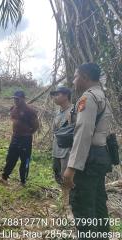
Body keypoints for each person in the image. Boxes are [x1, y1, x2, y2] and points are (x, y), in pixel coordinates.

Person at [63, 63, 112, 239]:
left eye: (75, 77)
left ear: (84, 77)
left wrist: (71, 167)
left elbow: (83, 134)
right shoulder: (102, 96)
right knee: (98, 205)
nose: (74, 81)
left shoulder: (88, 98)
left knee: (83, 208)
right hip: (100, 157)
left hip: (88, 159)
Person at [0, 90, 39, 185]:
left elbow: (35, 125)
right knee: (10, 157)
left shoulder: (30, 110)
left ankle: (23, 181)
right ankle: (4, 177)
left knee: (25, 160)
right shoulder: (13, 109)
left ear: (23, 99)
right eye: (14, 99)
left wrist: (28, 133)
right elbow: (14, 120)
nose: (15, 101)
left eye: (17, 99)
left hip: (25, 139)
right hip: (15, 137)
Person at [50, 86, 72, 210]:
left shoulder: (73, 111)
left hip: (67, 150)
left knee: (66, 176)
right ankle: (65, 200)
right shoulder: (58, 112)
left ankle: (67, 204)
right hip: (56, 149)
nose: (55, 97)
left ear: (65, 96)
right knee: (58, 174)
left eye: (57, 94)